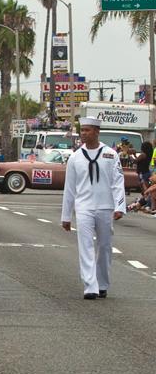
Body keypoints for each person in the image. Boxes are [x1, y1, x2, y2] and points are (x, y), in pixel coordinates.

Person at [61, 117, 126, 300]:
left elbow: (117, 182)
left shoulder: (110, 154)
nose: (83, 134)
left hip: (105, 207)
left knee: (104, 246)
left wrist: (119, 206)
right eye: (82, 130)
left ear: (97, 131)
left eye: (87, 130)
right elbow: (70, 188)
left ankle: (102, 283)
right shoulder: (75, 157)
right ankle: (90, 285)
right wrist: (66, 216)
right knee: (86, 245)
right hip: (84, 208)